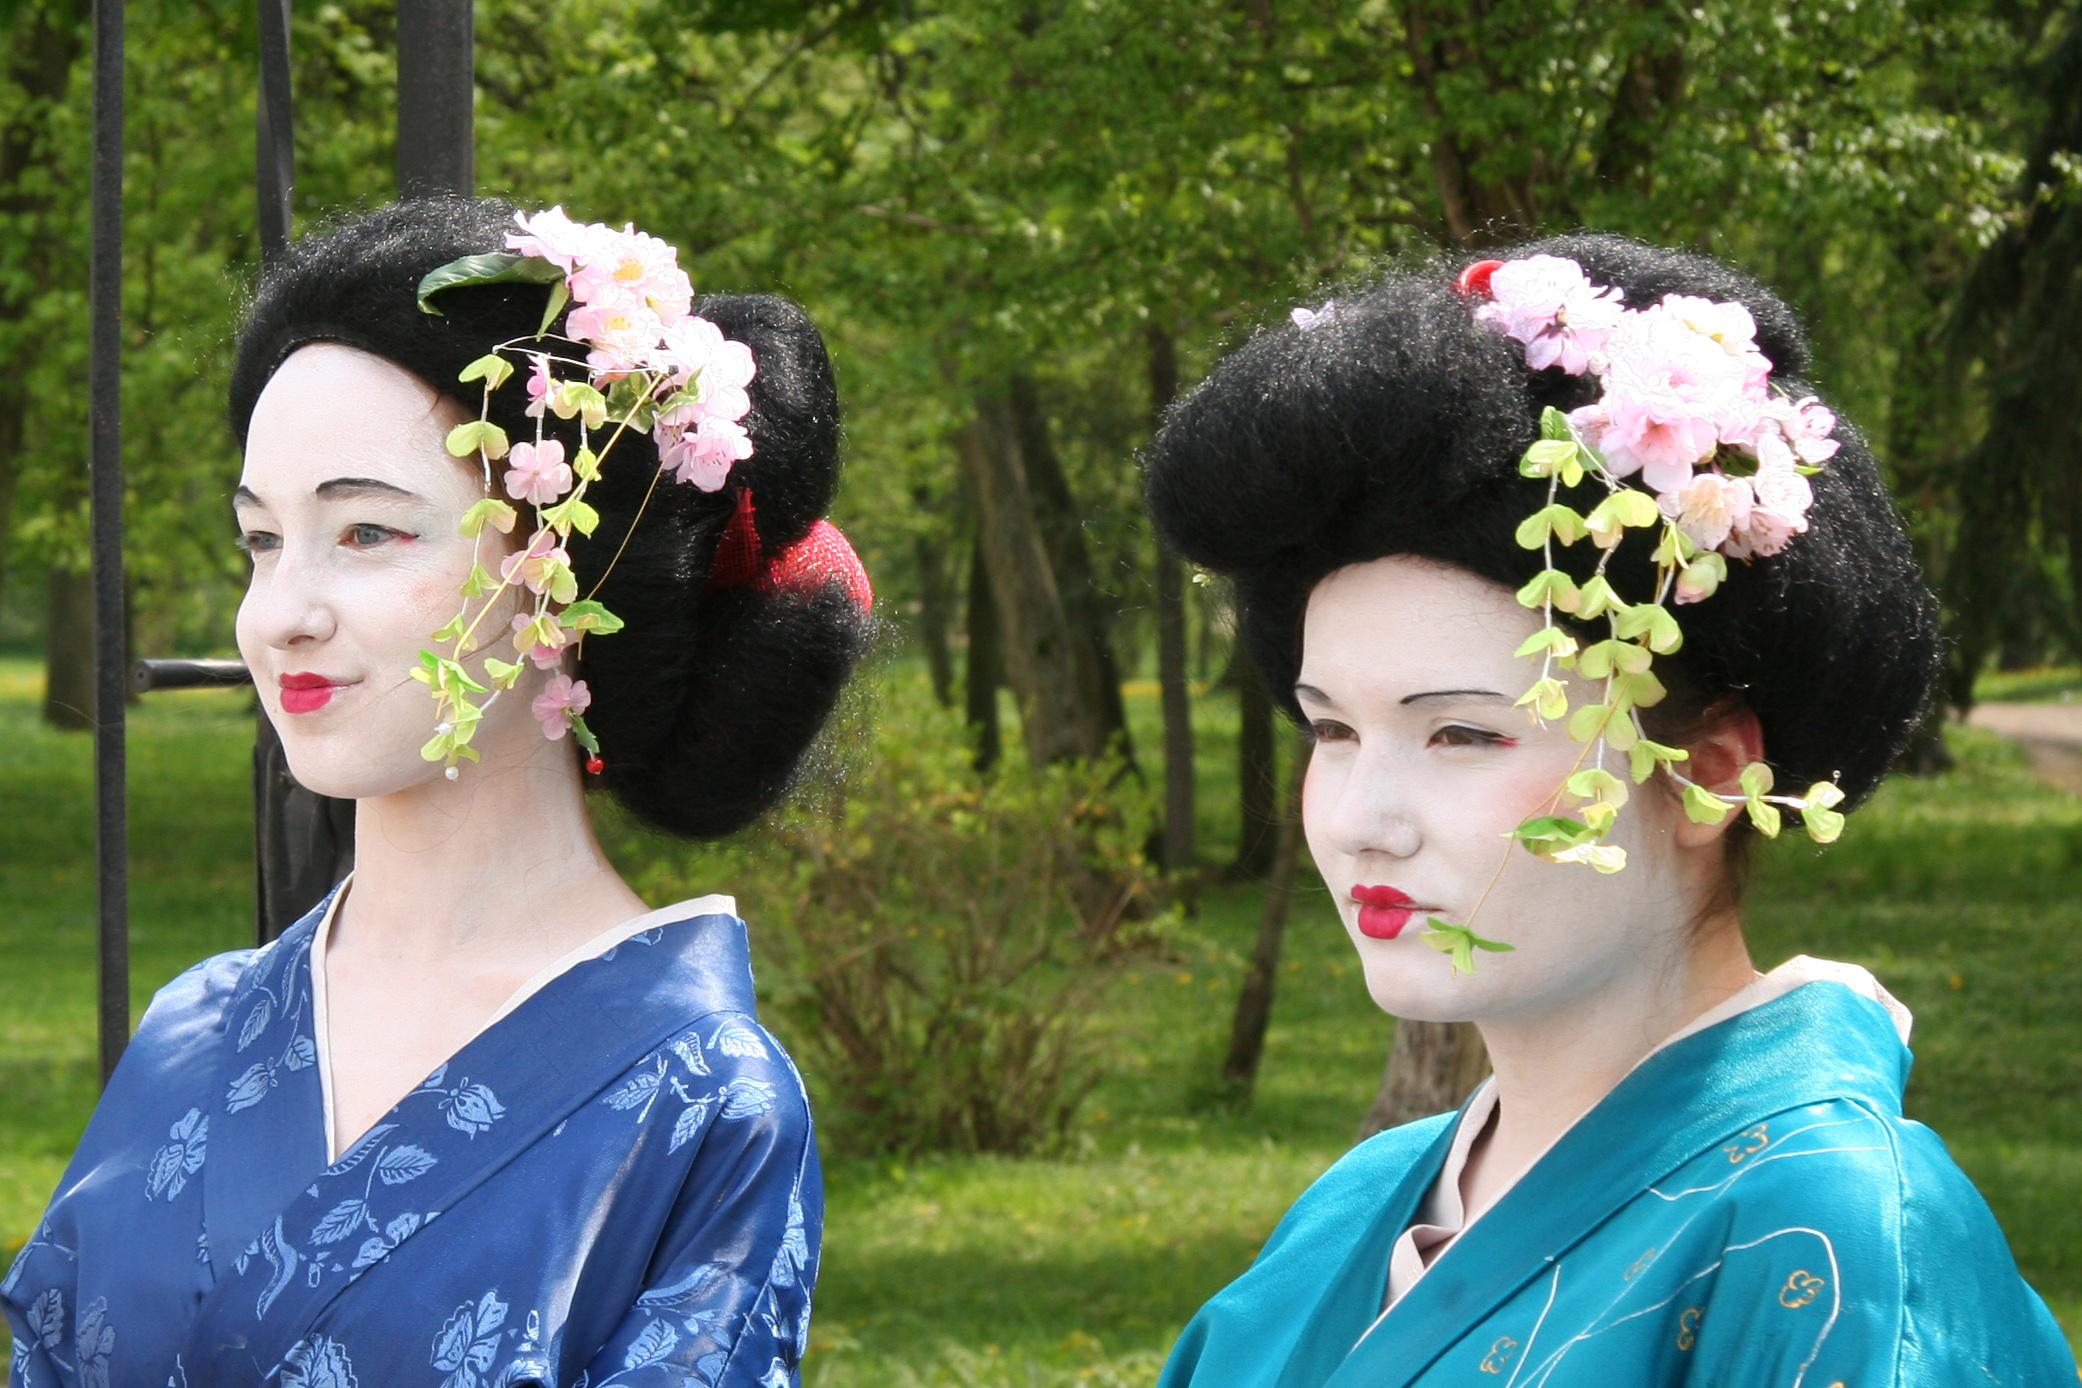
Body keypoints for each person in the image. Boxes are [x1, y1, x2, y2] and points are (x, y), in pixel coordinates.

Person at [1144, 233, 2077, 1387]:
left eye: (1463, 733)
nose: (1360, 819)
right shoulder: (1352, 1208)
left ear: (1711, 770)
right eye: (1333, 729)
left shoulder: (1839, 1231)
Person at [2, 198, 872, 1388]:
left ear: (564, 570)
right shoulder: (197, 1028)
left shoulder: (700, 1095)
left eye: (366, 532)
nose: (282, 613)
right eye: (262, 541)